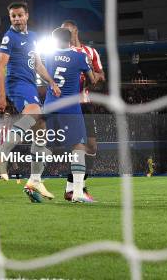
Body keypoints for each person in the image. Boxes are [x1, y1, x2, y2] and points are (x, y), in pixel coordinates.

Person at [0, 1, 61, 202]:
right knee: (33, 115)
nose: (16, 19)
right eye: (13, 16)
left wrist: (51, 82)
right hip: (17, 84)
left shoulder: (32, 37)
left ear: (27, 16)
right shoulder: (9, 37)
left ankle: (35, 179)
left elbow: (38, 64)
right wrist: (1, 95)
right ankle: (2, 153)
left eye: (19, 15)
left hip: (30, 84)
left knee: (40, 128)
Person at [43, 27, 96, 203]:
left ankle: (34, 180)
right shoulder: (79, 57)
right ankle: (78, 192)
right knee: (78, 147)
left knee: (45, 147)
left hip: (50, 106)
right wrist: (87, 66)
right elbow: (93, 80)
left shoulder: (48, 56)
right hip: (70, 108)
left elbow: (42, 74)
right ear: (71, 39)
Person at [61, 20, 105, 201]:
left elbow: (101, 75)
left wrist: (91, 77)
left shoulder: (91, 52)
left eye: (67, 31)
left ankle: (73, 187)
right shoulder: (61, 53)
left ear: (75, 30)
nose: (65, 35)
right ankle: (76, 189)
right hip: (68, 104)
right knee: (76, 146)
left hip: (85, 103)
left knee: (92, 146)